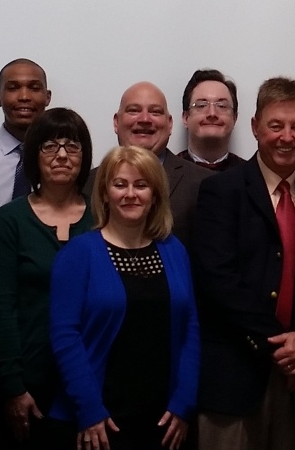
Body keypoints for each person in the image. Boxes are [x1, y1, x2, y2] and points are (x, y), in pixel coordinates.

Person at [192, 77, 295, 450]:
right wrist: (283, 349)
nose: (286, 137)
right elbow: (218, 279)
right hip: (235, 376)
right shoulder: (220, 192)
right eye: (276, 125)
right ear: (255, 127)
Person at [48, 145, 200, 450]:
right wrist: (89, 410)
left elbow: (190, 329)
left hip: (164, 420)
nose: (131, 194)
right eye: (120, 184)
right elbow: (64, 336)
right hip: (99, 421)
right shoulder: (79, 254)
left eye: (141, 185)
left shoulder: (174, 250)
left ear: (155, 194)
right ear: (104, 193)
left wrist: (184, 402)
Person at [0, 108, 93, 449]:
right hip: (28, 381)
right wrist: (13, 386)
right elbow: (1, 306)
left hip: (91, 379)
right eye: (50, 146)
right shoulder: (10, 220)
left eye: (73, 145)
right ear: (34, 154)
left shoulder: (103, 216)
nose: (62, 155)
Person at [84, 81, 213, 247]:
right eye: (134, 110)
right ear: (116, 122)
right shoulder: (88, 183)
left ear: (170, 123)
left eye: (155, 112)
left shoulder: (203, 183)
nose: (144, 119)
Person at [0, 58, 51, 212]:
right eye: (13, 88)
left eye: (34, 88)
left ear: (48, 97)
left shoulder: (68, 159)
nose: (24, 96)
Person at [178, 69, 244, 172]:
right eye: (201, 105)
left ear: (234, 118)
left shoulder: (254, 175)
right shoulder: (163, 174)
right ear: (186, 117)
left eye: (222, 106)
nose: (212, 113)